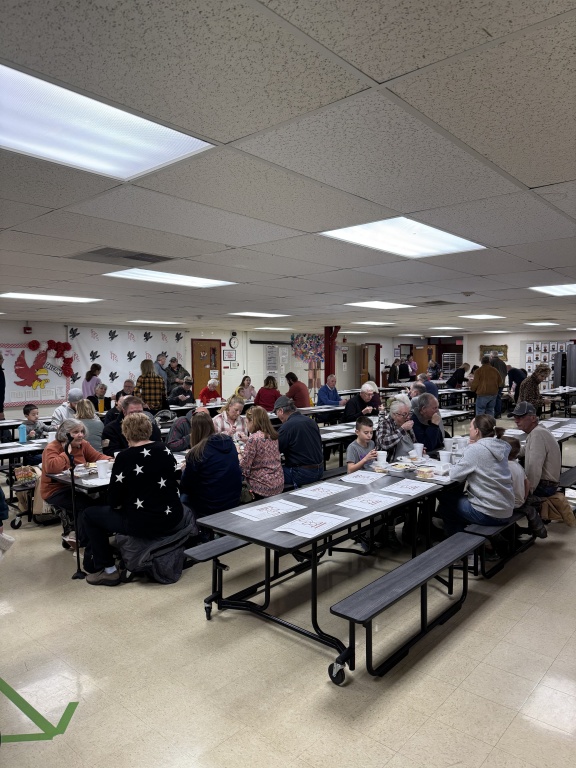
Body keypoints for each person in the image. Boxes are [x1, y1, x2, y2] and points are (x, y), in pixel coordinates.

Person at [82, 413, 184, 586]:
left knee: (89, 515)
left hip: (142, 522)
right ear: (149, 429)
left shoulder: (124, 457)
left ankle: (108, 570)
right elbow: (176, 475)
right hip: (173, 516)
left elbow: (114, 500)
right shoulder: (164, 448)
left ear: (125, 432)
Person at [436, 415, 515, 536]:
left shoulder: (476, 449)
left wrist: (470, 448)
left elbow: (454, 475)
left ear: (477, 431)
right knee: (454, 499)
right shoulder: (500, 446)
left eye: (471, 427)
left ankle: (459, 546)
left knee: (446, 503)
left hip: (489, 512)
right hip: (506, 508)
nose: (469, 430)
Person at [40, 418, 111, 540]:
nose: (81, 435)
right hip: (56, 490)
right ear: (65, 434)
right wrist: (66, 453)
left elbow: (97, 457)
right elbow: (53, 468)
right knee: (85, 505)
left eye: (82, 431)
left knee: (105, 499)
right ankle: (81, 540)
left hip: (78, 486)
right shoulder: (53, 447)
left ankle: (95, 533)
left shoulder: (82, 444)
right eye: (76, 432)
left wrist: (111, 459)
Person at [180, 411, 242, 519]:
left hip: (211, 505)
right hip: (233, 498)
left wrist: (184, 470)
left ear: (194, 430)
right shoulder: (228, 441)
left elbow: (186, 486)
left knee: (183, 497)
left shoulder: (196, 452)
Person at [513, 401, 561, 505]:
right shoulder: (537, 431)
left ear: (533, 418)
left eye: (520, 417)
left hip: (545, 486)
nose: (516, 421)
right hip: (547, 483)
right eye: (515, 417)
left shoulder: (537, 434)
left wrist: (527, 492)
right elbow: (523, 451)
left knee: (504, 489)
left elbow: (534, 468)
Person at [501, 435, 547, 538]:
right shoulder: (517, 465)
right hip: (521, 501)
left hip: (511, 505)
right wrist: (524, 498)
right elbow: (527, 483)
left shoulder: (503, 467)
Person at [274, 396, 324, 487]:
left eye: (276, 413)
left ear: (281, 411)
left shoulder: (287, 427)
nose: (277, 417)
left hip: (302, 474)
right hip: (320, 469)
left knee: (268, 473)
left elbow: (274, 450)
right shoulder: (311, 421)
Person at [240, 406, 284, 498]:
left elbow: (244, 468)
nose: (247, 426)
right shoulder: (273, 435)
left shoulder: (253, 438)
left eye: (247, 423)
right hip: (278, 482)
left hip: (262, 486)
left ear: (253, 421)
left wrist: (238, 455)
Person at [490, 352, 508, 419]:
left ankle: (493, 414)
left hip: (494, 383)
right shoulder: (502, 362)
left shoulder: (491, 361)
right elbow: (506, 373)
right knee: (498, 398)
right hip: (502, 383)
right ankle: (498, 413)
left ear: (491, 356)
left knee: (493, 398)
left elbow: (488, 372)